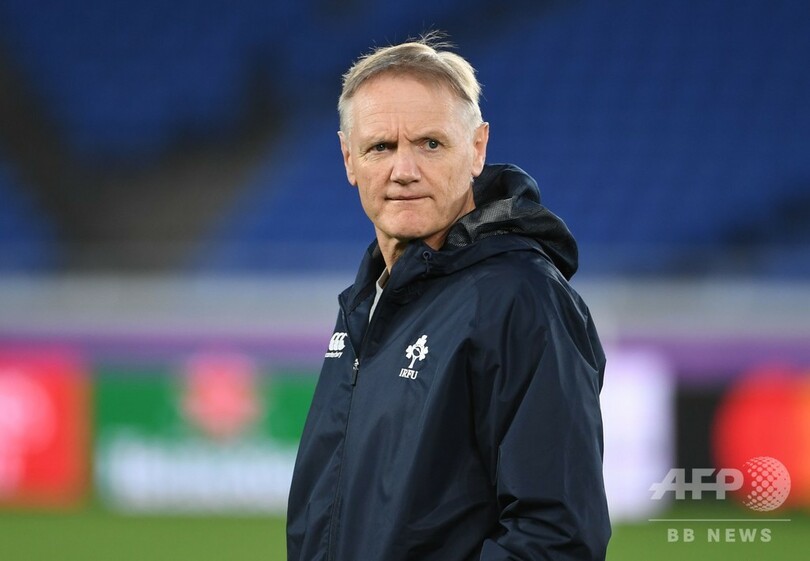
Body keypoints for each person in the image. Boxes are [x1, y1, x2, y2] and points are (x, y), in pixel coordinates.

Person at [287, 34, 610, 561]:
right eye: (380, 147)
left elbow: (556, 538)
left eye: (430, 144)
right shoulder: (369, 300)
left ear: (477, 148)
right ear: (349, 159)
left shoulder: (520, 299)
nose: (404, 170)